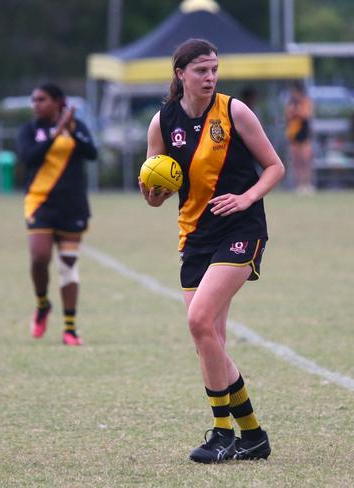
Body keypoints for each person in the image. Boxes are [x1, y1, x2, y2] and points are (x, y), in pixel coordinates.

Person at [138, 38, 285, 463]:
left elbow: (275, 167)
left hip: (241, 227)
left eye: (214, 69)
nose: (210, 77)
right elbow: (155, 186)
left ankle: (222, 434)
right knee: (210, 338)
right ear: (180, 73)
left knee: (199, 320)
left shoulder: (234, 111)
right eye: (201, 70)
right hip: (195, 237)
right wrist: (153, 194)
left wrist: (245, 197)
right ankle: (253, 435)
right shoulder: (162, 122)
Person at [17, 82, 97, 346]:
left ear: (57, 102)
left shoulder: (76, 127)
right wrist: (55, 134)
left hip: (72, 206)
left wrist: (70, 130)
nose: (36, 105)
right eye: (34, 100)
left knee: (67, 268)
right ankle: (42, 304)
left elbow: (92, 153)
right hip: (40, 203)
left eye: (41, 99)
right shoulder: (29, 130)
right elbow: (29, 158)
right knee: (39, 257)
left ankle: (70, 328)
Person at [285, 81, 314, 194]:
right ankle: (299, 185)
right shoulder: (290, 103)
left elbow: (306, 114)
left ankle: (307, 184)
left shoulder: (306, 101)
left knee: (306, 161)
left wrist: (296, 111)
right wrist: (294, 111)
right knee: (296, 161)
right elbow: (288, 115)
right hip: (294, 136)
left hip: (304, 136)